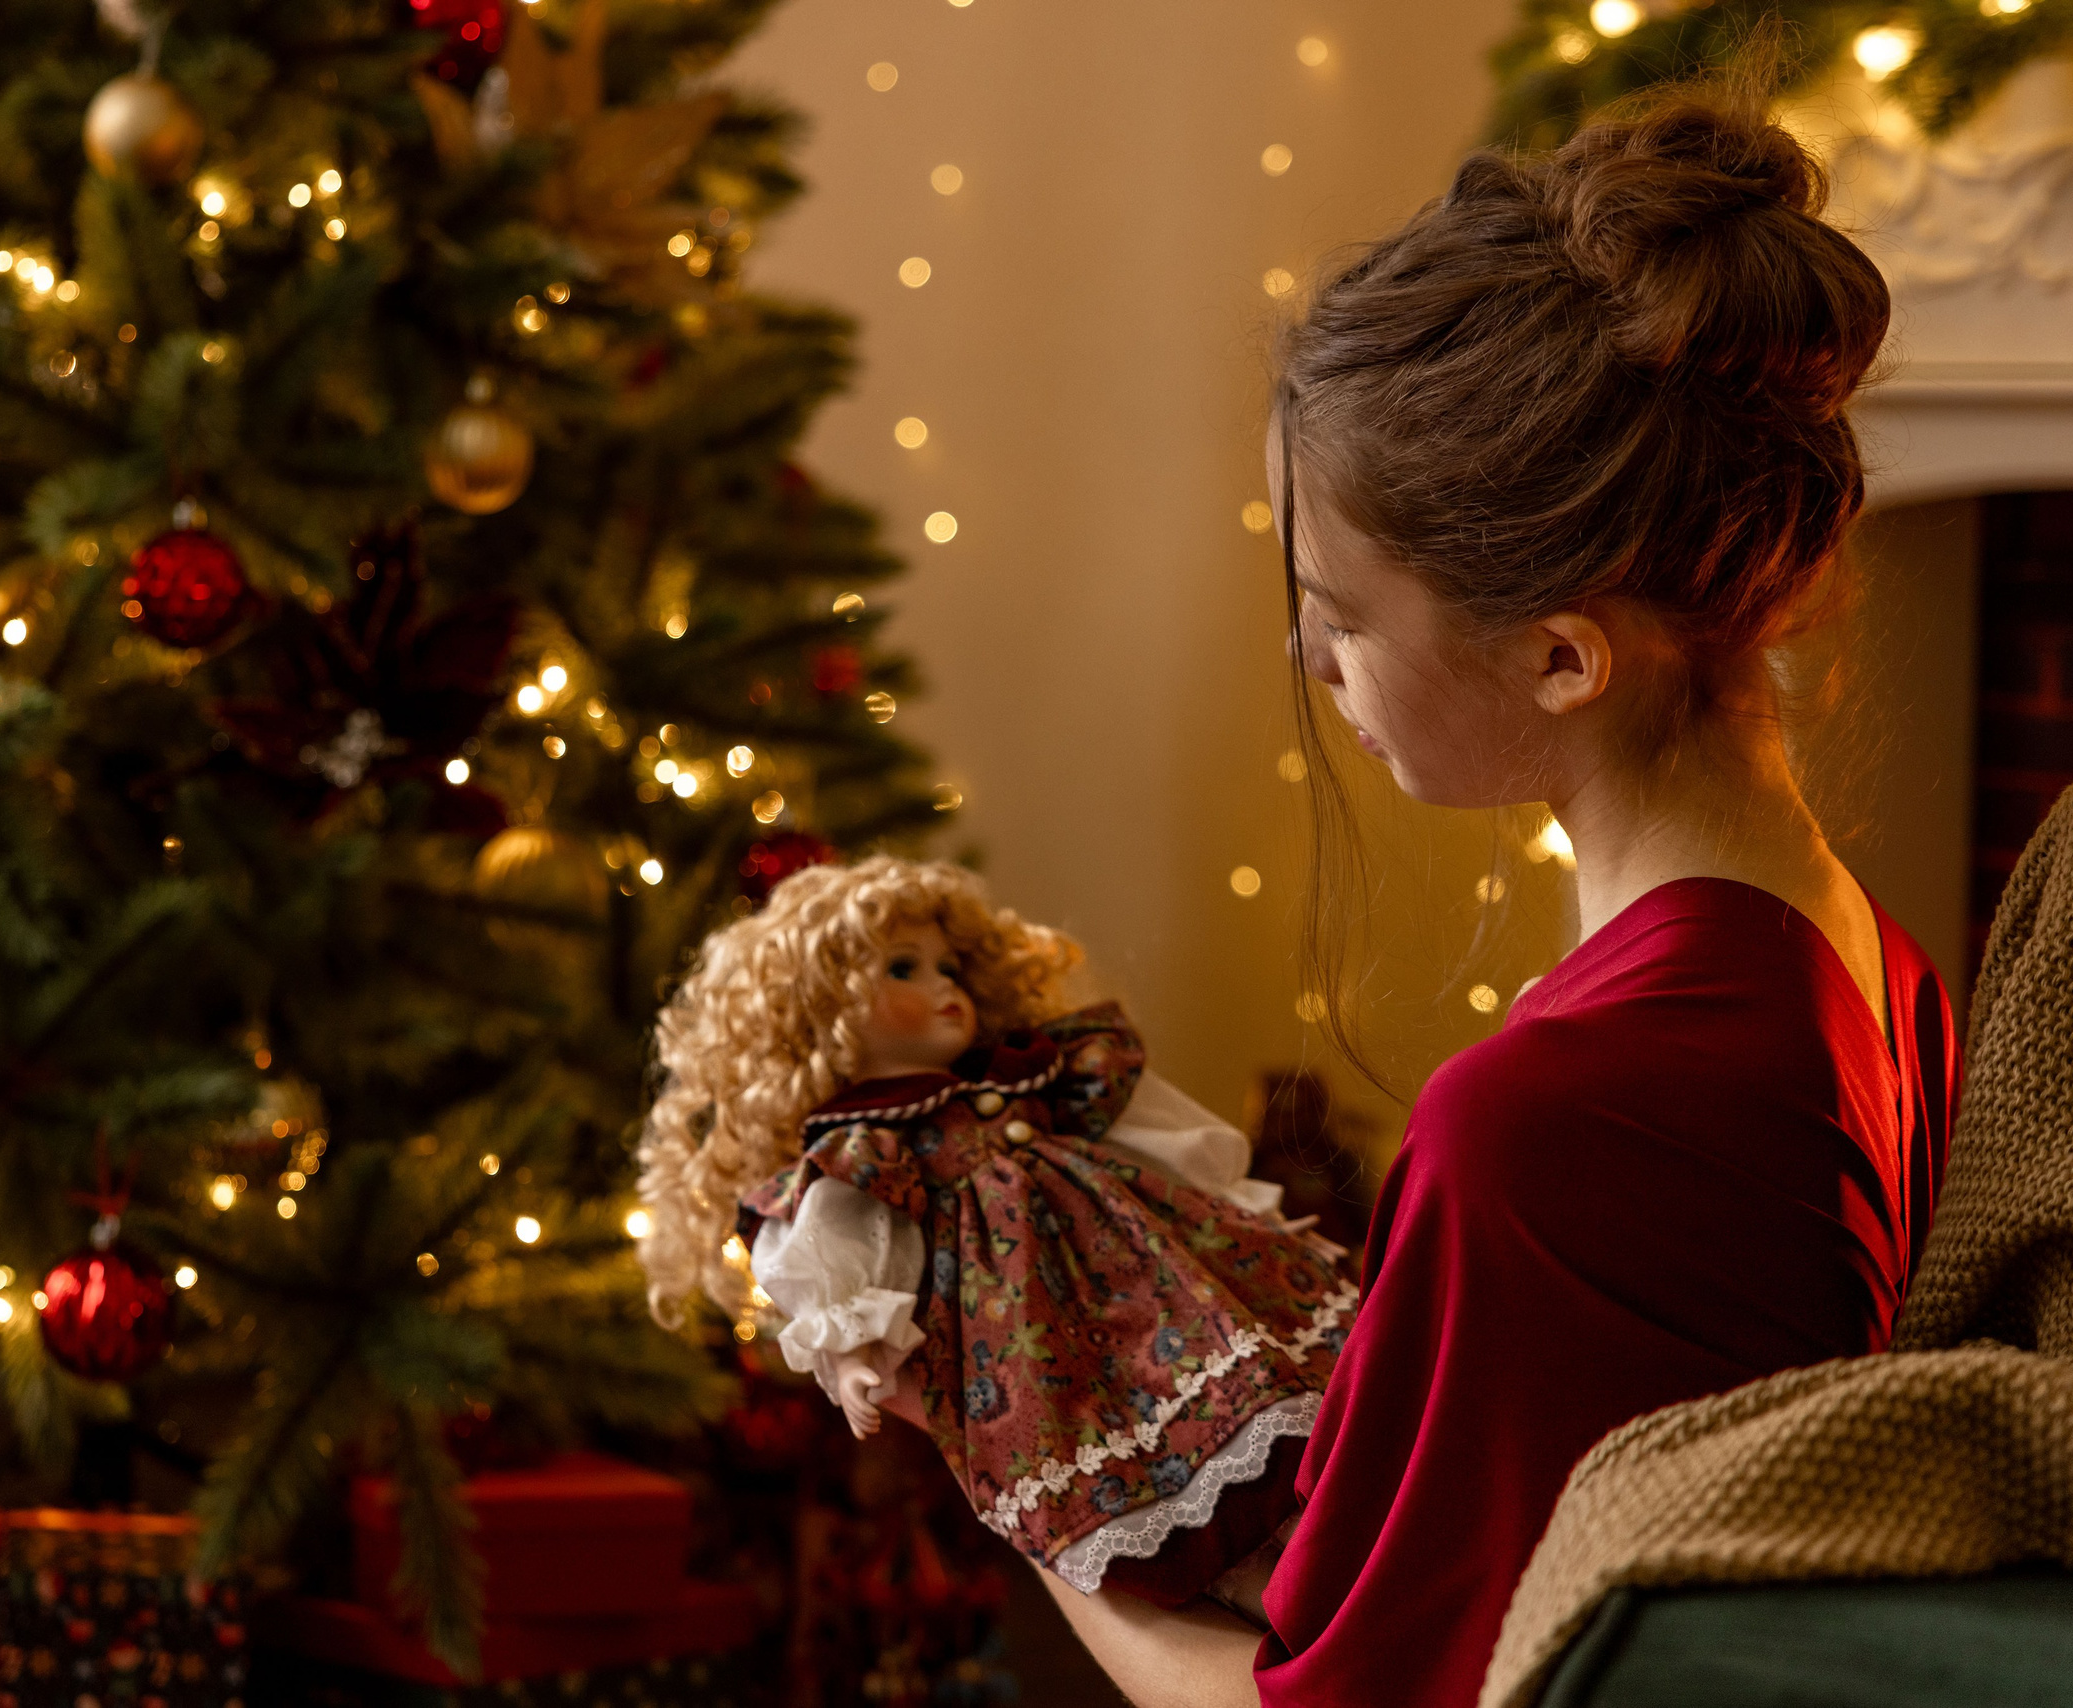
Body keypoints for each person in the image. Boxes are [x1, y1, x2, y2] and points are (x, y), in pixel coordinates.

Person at [1033, 87, 1958, 1708]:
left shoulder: (1556, 1114)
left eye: (1339, 615)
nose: (1316, 668)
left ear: (1560, 652)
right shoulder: (1860, 956)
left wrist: (1031, 1476)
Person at [634, 857, 1355, 1610]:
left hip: (1148, 1267)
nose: (945, 986)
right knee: (1127, 1439)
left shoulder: (1033, 1076)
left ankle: (1315, 1520)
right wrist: (852, 1353)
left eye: (948, 965)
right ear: (818, 1012)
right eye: (904, 968)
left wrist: (1233, 1202)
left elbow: (1154, 1144)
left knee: (1252, 1380)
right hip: (1024, 1328)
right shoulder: (866, 1146)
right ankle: (1256, 1575)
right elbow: (842, 1246)